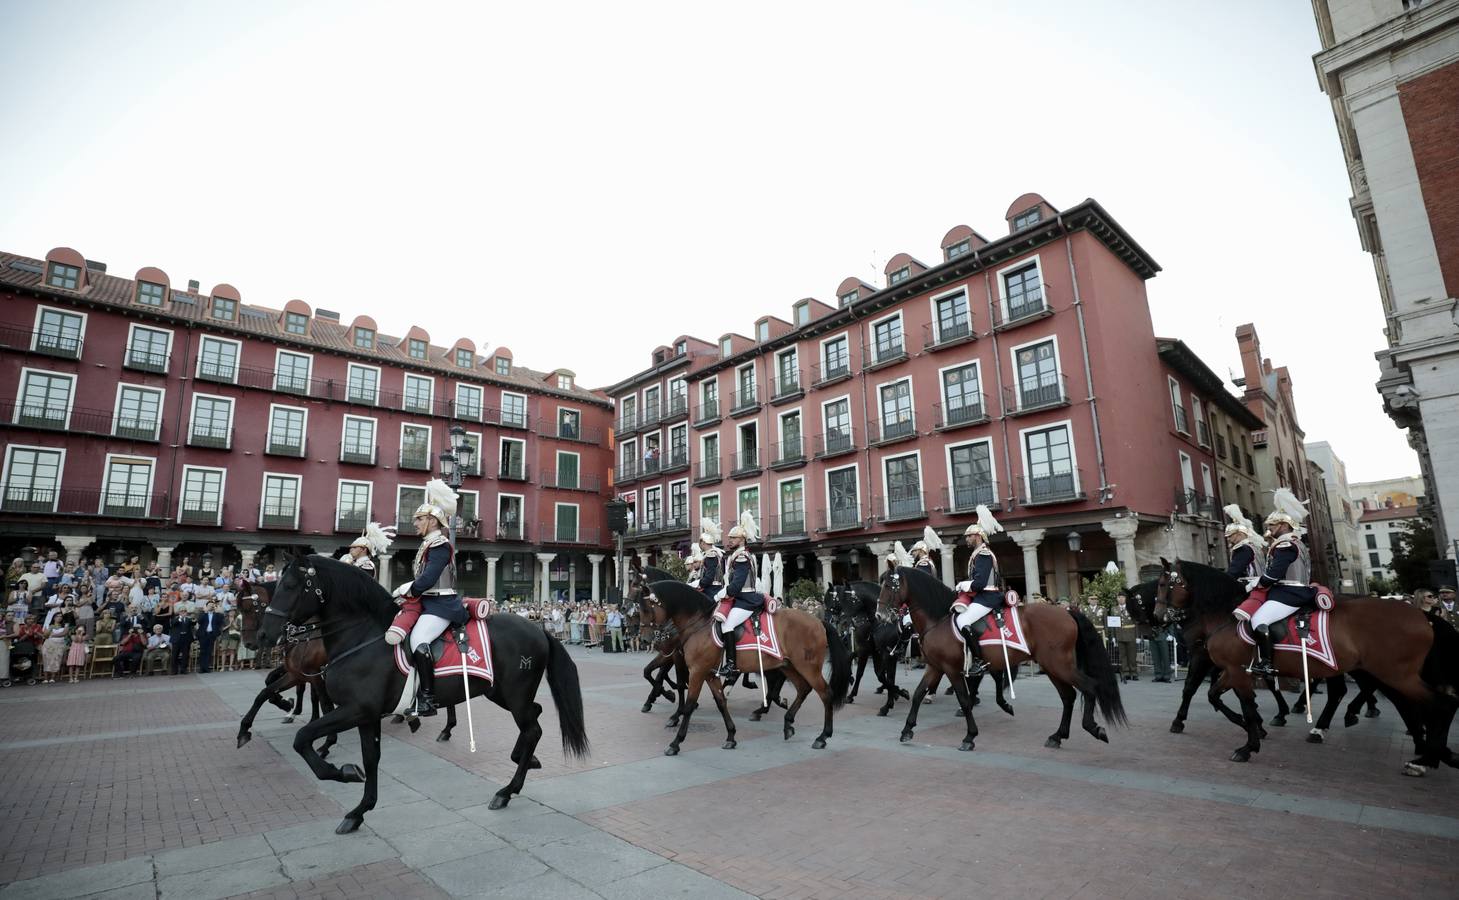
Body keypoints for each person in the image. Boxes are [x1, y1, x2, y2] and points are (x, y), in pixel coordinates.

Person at [390, 480, 467, 717]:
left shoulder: (440, 544)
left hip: (441, 605)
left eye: (419, 519)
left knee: (418, 640)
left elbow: (428, 579)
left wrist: (405, 589)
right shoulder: (428, 543)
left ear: (432, 521)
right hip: (429, 603)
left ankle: (427, 698)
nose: (415, 523)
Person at [1245, 489, 1316, 677]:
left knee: (1258, 619)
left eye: (1274, 524)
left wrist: (1255, 584)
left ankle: (1266, 662)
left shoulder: (1285, 544)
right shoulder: (1296, 542)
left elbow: (1274, 575)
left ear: (1285, 525)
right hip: (1295, 591)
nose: (1270, 528)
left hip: (1288, 594)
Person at [951, 504, 1005, 676]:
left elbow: (980, 583)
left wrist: (963, 585)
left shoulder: (983, 554)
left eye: (969, 536)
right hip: (982, 596)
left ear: (978, 536)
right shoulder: (978, 553)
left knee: (962, 621)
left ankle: (979, 660)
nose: (966, 539)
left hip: (988, 597)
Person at [715, 512, 765, 678]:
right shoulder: (738, 555)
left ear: (742, 540)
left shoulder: (742, 556)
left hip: (746, 600)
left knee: (727, 625)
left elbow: (737, 586)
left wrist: (722, 593)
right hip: (741, 598)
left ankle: (731, 665)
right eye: (729, 538)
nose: (730, 541)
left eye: (733, 538)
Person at [1223, 504, 1267, 589]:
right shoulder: (1254, 546)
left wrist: (1223, 581)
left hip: (1248, 587)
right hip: (1258, 585)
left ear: (1239, 534)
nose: (1228, 539)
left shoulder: (1242, 548)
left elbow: (1235, 571)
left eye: (1230, 536)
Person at [697, 520, 724, 598]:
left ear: (702, 543)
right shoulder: (711, 554)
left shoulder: (710, 555)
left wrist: (699, 584)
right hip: (712, 588)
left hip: (712, 590)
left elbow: (709, 576)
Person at [196, 601, 224, 674]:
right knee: (203, 651)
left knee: (209, 651)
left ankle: (207, 667)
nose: (211, 606)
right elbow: (199, 621)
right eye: (209, 605)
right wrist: (205, 612)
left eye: (212, 605)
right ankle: (202, 668)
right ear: (206, 606)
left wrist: (217, 611)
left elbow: (220, 621)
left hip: (212, 634)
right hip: (203, 634)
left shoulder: (216, 614)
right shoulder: (203, 613)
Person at [170, 608, 196, 675]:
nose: (183, 612)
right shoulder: (175, 618)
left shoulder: (188, 619)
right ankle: (174, 670)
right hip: (177, 639)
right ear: (179, 612)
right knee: (175, 655)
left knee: (185, 655)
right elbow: (173, 624)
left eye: (185, 611)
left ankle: (183, 669)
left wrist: (194, 619)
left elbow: (193, 623)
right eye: (182, 611)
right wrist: (180, 618)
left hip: (186, 639)